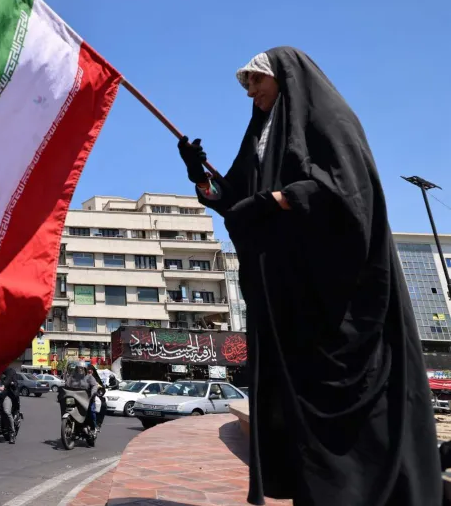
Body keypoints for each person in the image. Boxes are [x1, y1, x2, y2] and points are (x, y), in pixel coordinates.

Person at [176, 46, 441, 506]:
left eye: (256, 81)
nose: (251, 92)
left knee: (350, 404)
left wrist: (282, 199)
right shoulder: (261, 133)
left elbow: (347, 189)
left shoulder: (329, 120)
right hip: (289, 298)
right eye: (245, 85)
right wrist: (198, 172)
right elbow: (234, 196)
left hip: (337, 297)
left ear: (285, 78)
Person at [63, 361, 99, 443]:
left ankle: (93, 428)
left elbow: (94, 385)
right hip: (75, 398)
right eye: (79, 368)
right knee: (67, 406)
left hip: (86, 399)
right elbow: (67, 385)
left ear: (85, 369)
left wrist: (93, 393)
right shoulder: (72, 377)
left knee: (91, 411)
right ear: (76, 369)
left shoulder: (89, 377)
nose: (80, 370)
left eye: (82, 368)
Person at [0, 367, 20, 444]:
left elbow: (8, 380)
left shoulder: (10, 371)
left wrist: (4, 386)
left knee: (6, 411)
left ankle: (12, 433)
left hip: (7, 394)